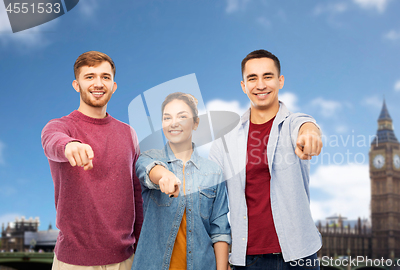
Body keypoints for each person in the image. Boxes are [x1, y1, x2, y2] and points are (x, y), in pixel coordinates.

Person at [210, 49, 323, 269]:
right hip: (248, 260)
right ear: (243, 86)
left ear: (280, 81)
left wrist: (310, 134)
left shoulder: (293, 123)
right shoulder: (225, 141)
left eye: (268, 76)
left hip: (300, 257)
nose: (260, 85)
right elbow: (214, 205)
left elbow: (306, 125)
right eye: (252, 78)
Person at [41, 51, 143, 269]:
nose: (98, 83)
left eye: (105, 77)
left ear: (114, 86)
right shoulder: (60, 127)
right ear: (76, 85)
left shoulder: (128, 134)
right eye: (89, 77)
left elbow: (137, 194)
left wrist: (141, 248)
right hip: (73, 262)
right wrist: (70, 146)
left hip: (125, 260)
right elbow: (52, 142)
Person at [132, 92, 231, 270]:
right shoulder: (148, 157)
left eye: (182, 116)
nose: (174, 123)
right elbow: (148, 170)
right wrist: (164, 175)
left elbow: (220, 230)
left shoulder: (213, 172)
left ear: (196, 123)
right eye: (167, 117)